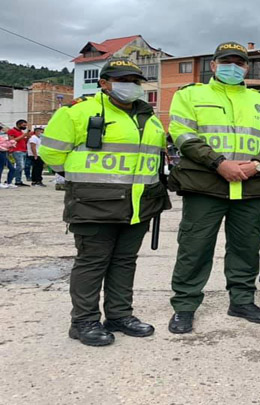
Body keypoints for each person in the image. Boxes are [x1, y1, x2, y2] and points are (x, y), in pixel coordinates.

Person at [39, 58, 170, 346]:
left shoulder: (148, 117)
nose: (131, 86)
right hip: (93, 204)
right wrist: (85, 179)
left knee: (124, 263)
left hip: (139, 206)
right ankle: (83, 322)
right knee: (92, 263)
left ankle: (119, 315)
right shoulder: (78, 112)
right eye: (123, 80)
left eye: (136, 81)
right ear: (104, 83)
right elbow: (50, 154)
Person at [167, 42, 260, 332]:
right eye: (226, 61)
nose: (232, 67)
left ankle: (242, 301)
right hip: (206, 184)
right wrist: (219, 163)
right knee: (194, 248)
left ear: (247, 67)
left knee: (246, 248)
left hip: (251, 186)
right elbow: (182, 134)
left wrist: (257, 164)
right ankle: (185, 306)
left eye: (239, 62)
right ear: (213, 65)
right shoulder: (191, 95)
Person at [7, 119, 31, 187]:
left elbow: (22, 140)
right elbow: (12, 140)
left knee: (21, 167)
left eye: (25, 125)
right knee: (20, 166)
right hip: (16, 150)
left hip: (23, 150)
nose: (25, 127)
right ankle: (10, 179)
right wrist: (23, 135)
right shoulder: (12, 131)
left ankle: (18, 181)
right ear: (19, 124)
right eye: (24, 125)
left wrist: (27, 137)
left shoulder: (21, 132)